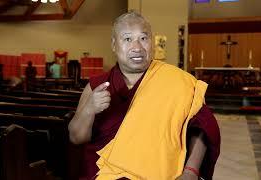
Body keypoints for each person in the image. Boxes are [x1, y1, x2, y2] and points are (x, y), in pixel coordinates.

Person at [68, 11, 220, 180]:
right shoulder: (97, 85)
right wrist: (89, 109)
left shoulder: (178, 82)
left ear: (152, 42)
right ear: (113, 44)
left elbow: (202, 129)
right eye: (127, 39)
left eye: (143, 38)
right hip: (103, 174)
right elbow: (76, 137)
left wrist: (191, 171)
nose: (137, 48)